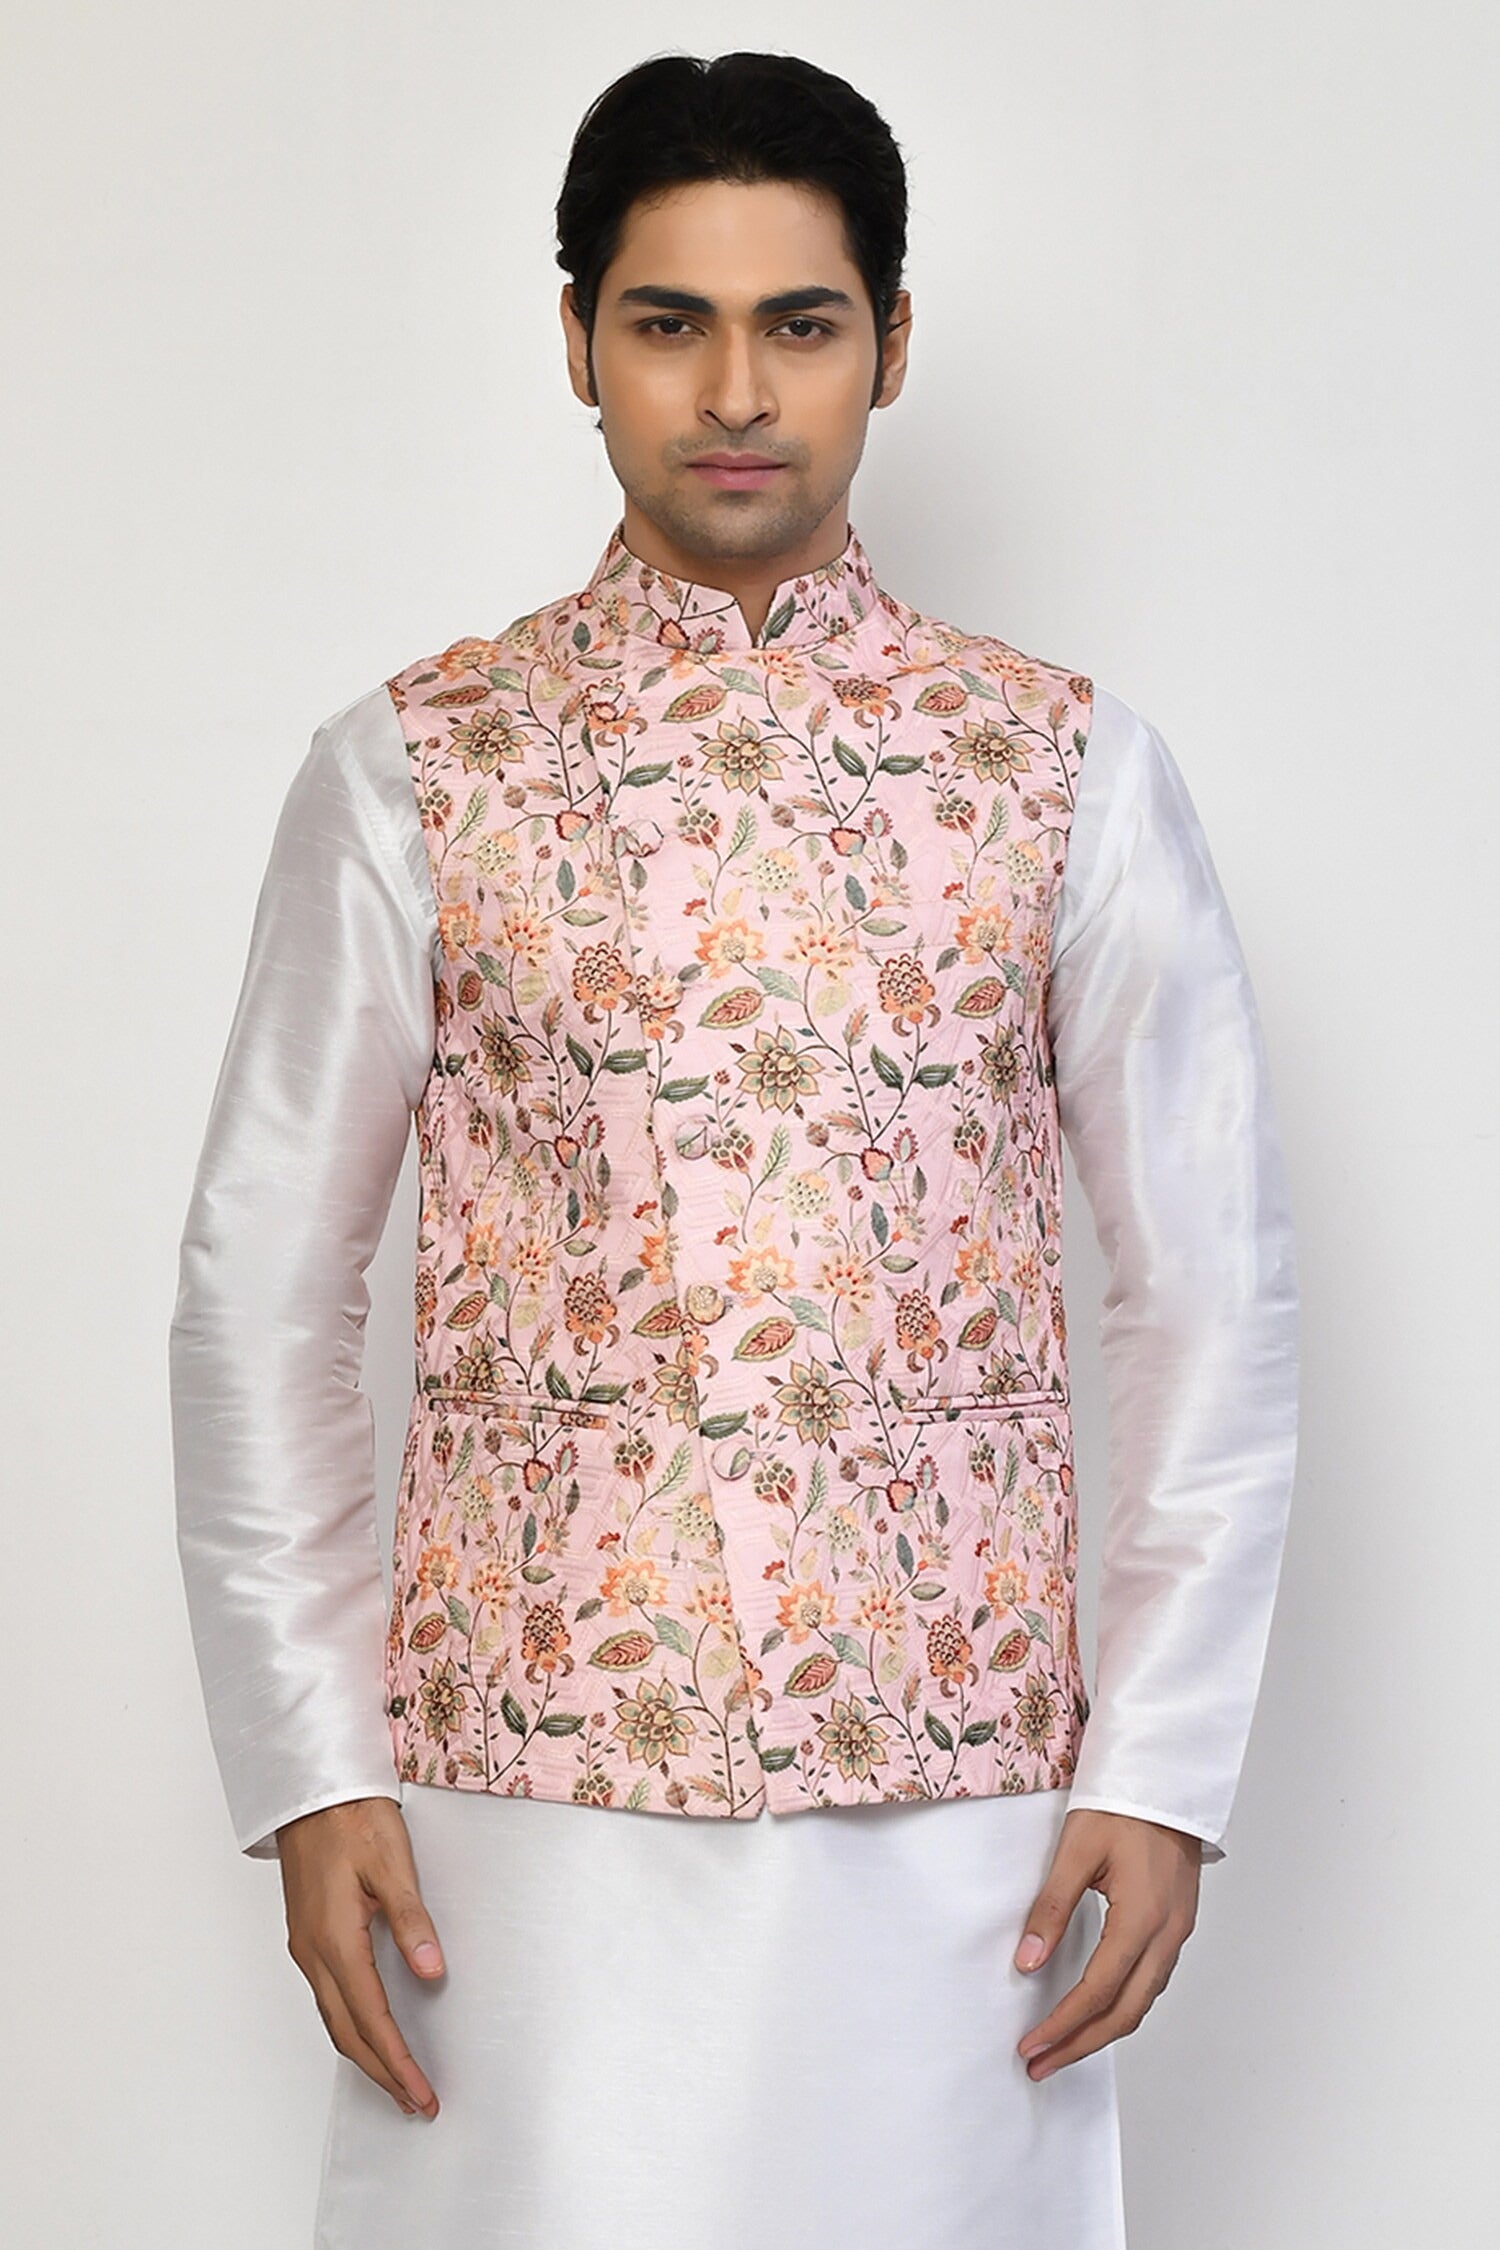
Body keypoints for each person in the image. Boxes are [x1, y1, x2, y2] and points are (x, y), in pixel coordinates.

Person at [168, 50, 1299, 2250]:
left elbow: (1207, 1290)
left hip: (963, 1802)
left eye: (803, 322)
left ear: (893, 341)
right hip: (516, 1798)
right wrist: (309, 1764)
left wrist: (1164, 1765)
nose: (738, 391)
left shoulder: (1058, 771)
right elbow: (261, 1287)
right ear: (577, 338)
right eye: (671, 321)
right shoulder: (419, 767)